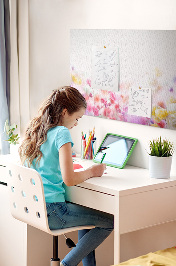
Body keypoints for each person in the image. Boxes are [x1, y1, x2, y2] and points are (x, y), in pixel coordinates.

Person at [19, 86, 114, 266]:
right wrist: (93, 171)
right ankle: (67, 263)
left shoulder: (37, 129)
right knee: (109, 221)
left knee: (88, 220)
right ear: (64, 112)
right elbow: (69, 179)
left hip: (36, 207)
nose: (77, 123)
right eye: (77, 118)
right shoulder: (62, 133)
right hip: (54, 211)